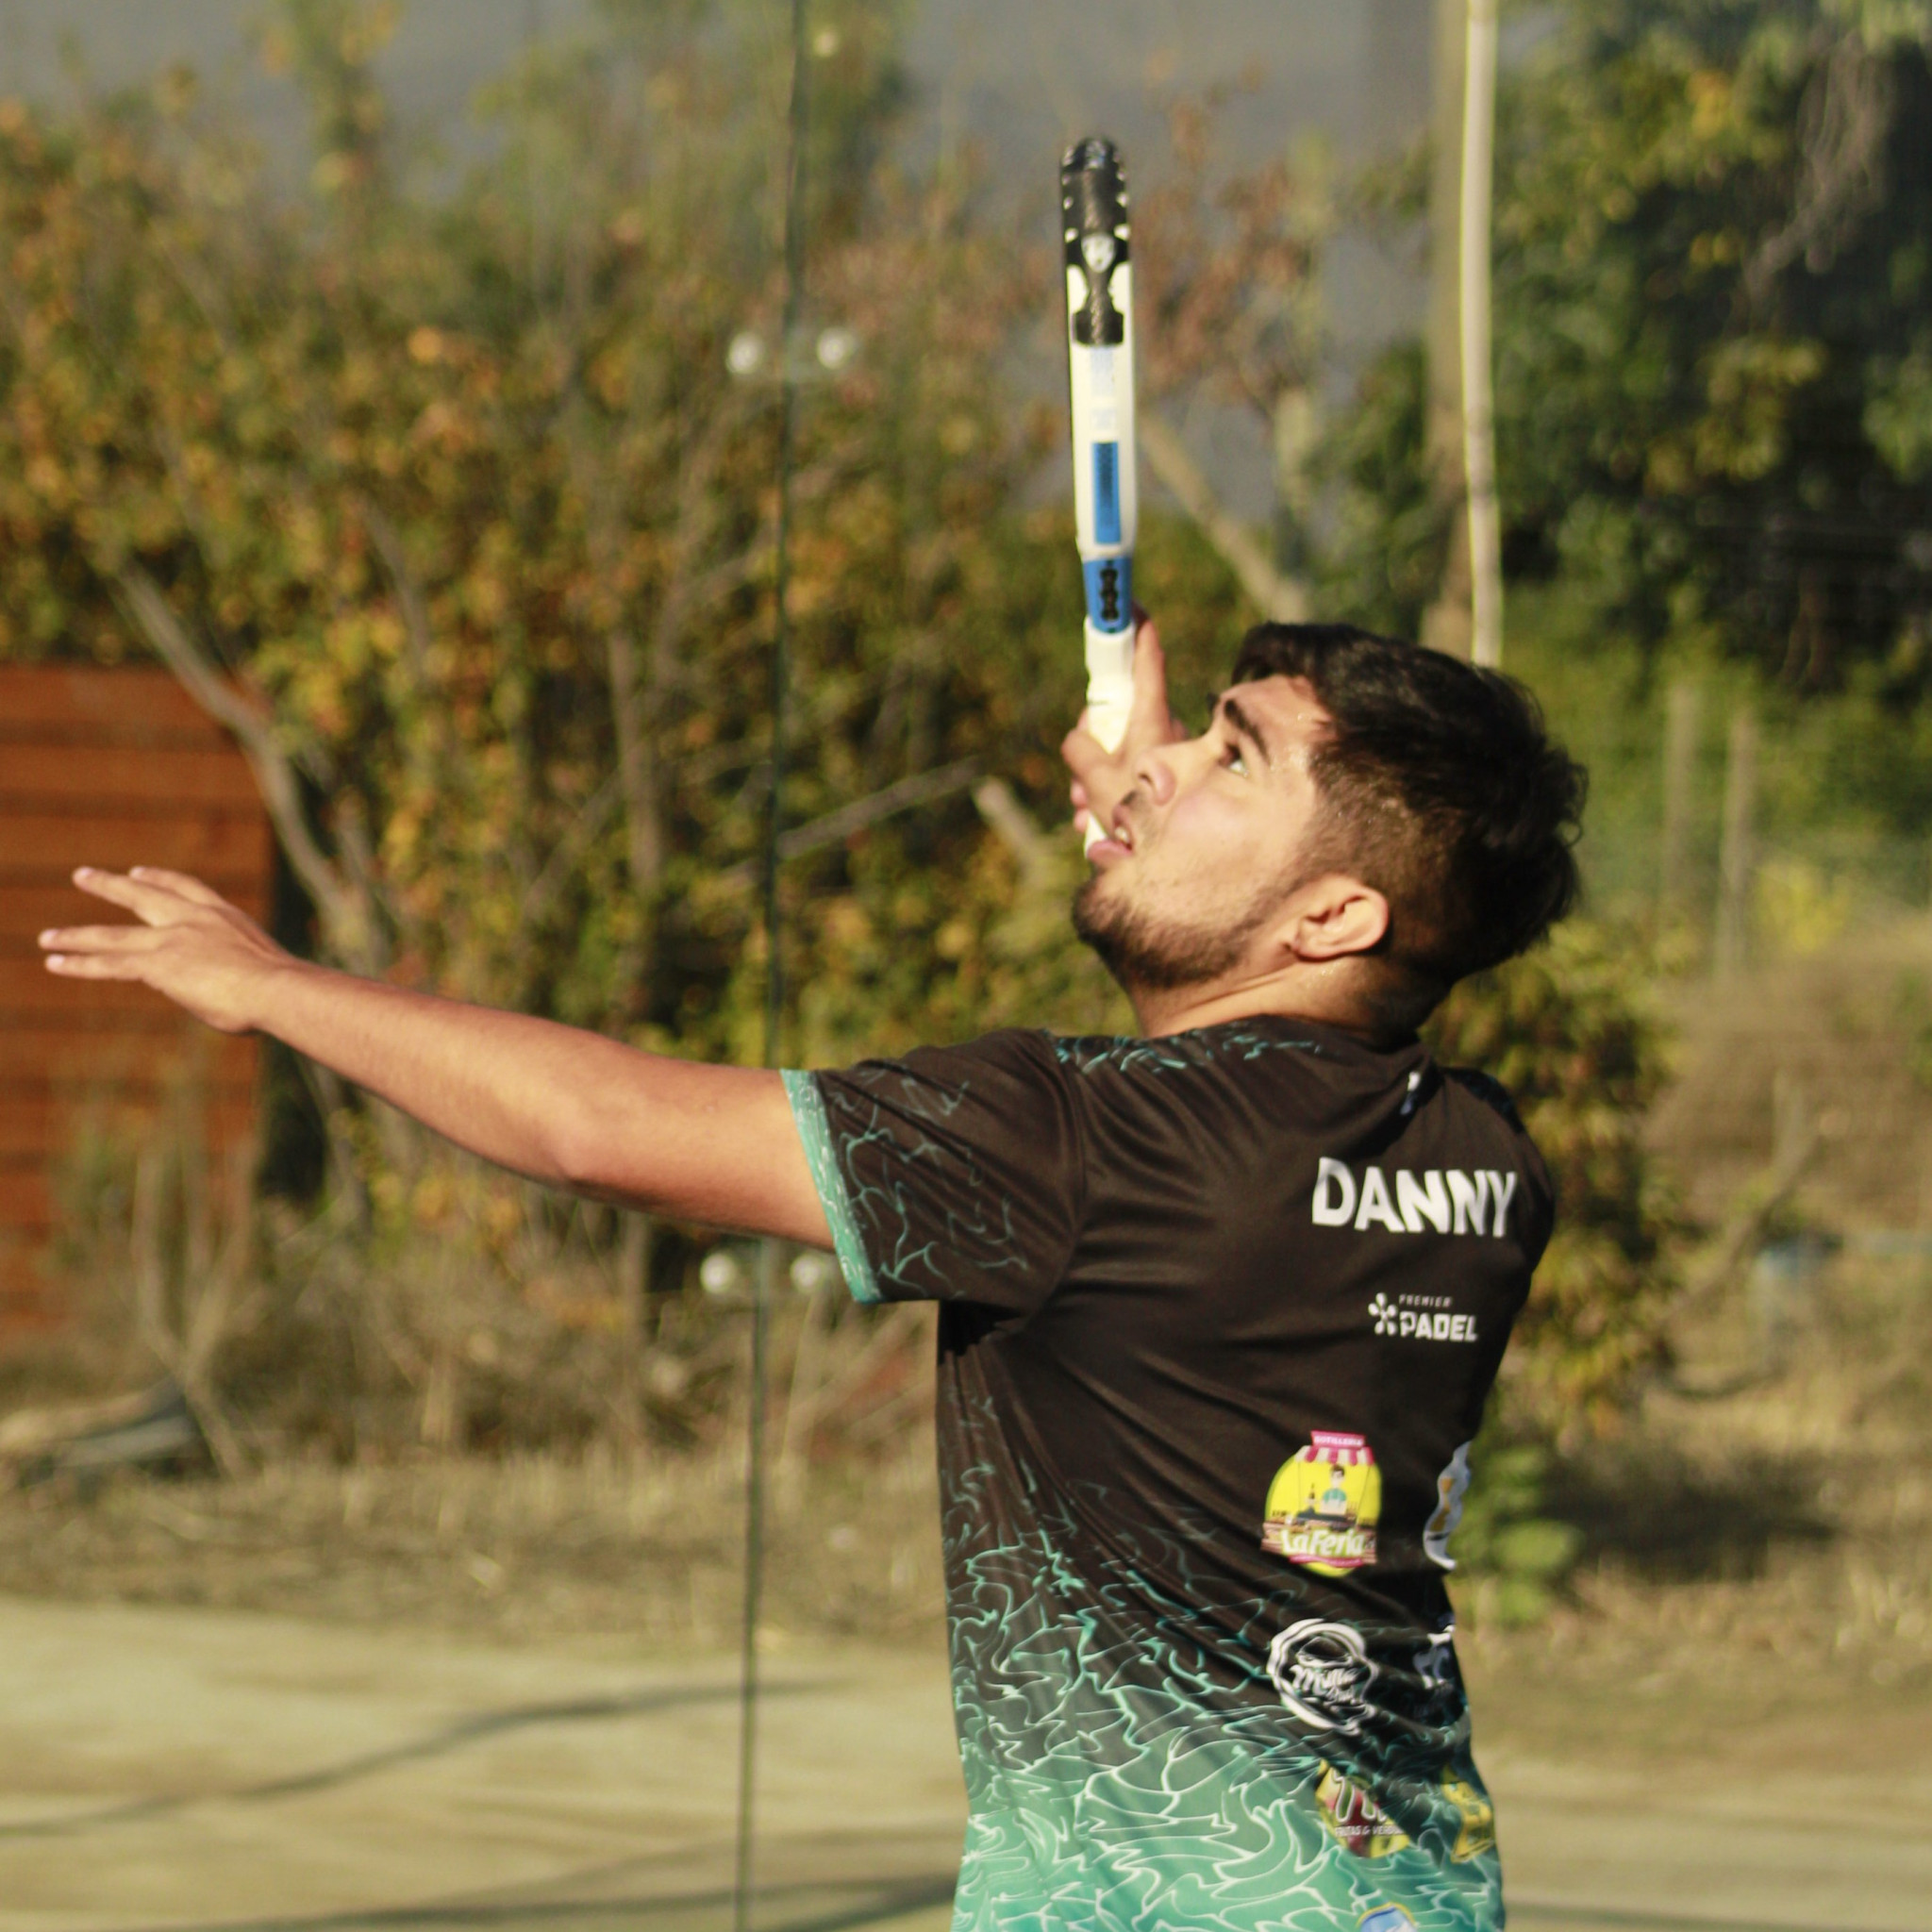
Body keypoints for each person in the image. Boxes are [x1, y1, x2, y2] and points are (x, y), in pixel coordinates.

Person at [40, 616, 1586, 1932]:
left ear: (1335, 913)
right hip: (1413, 1888)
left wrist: (272, 985)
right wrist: (1161, 824)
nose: (1167, 763)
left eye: (1232, 756)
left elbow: (594, 1129)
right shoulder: (1489, 1162)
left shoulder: (1073, 1140)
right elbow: (1241, 1073)